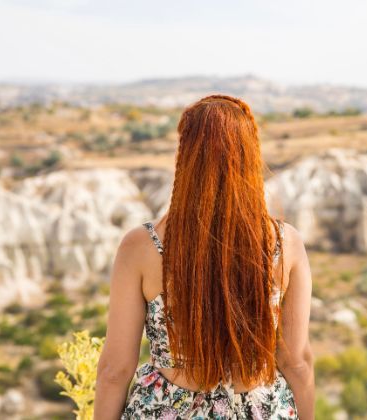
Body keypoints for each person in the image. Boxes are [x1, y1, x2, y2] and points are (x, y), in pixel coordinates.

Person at [93, 95, 314, 419]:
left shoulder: (142, 246)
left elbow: (115, 370)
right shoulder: (286, 243)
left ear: (186, 156)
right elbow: (296, 361)